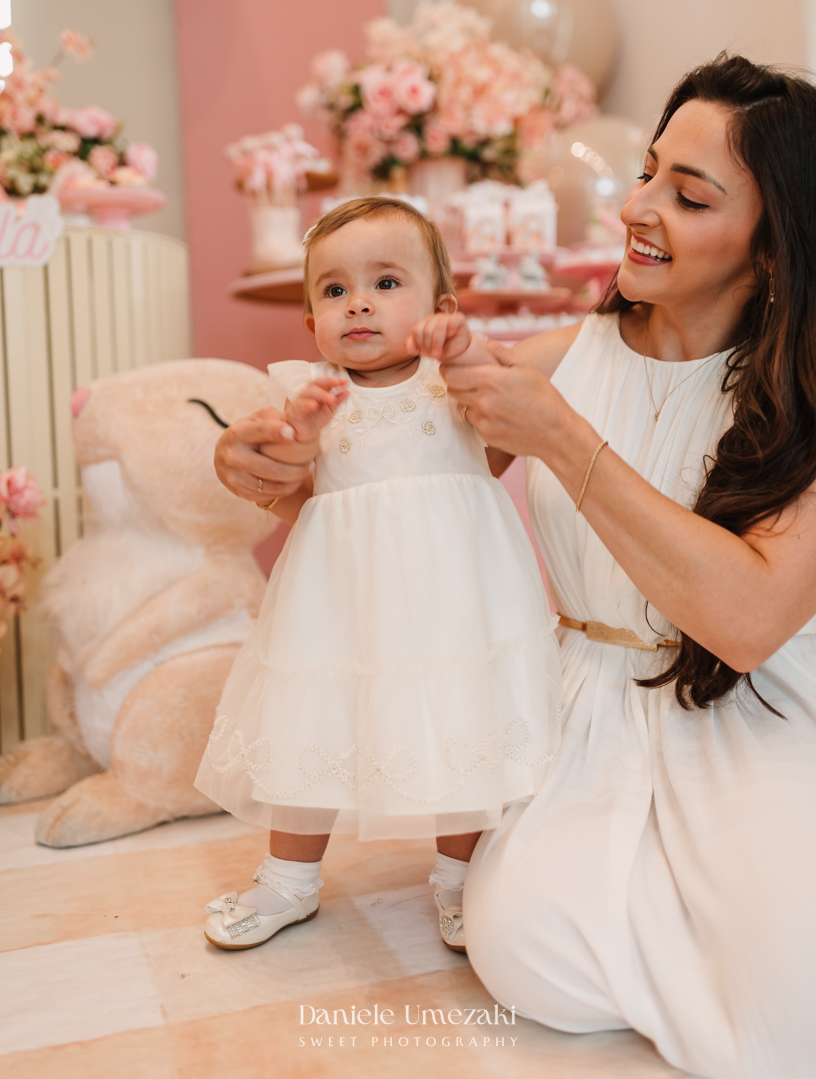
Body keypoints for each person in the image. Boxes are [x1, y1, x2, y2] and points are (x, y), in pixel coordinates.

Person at [426, 55, 816, 1079]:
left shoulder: (802, 400)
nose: (638, 208)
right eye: (647, 173)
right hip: (585, 706)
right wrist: (276, 470)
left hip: (756, 711)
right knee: (526, 951)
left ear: (772, 246)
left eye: (689, 195)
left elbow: (748, 622)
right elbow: (397, 496)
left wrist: (563, 440)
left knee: (795, 1013)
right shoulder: (559, 362)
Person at [196, 197, 562, 954]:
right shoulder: (312, 389)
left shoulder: (453, 381)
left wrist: (461, 348)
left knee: (464, 723)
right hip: (337, 603)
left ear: (441, 309)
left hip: (456, 602)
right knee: (310, 725)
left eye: (386, 283)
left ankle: (460, 878)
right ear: (312, 322)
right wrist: (298, 427)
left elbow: (497, 399)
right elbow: (285, 472)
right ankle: (288, 880)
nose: (358, 302)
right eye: (334, 290)